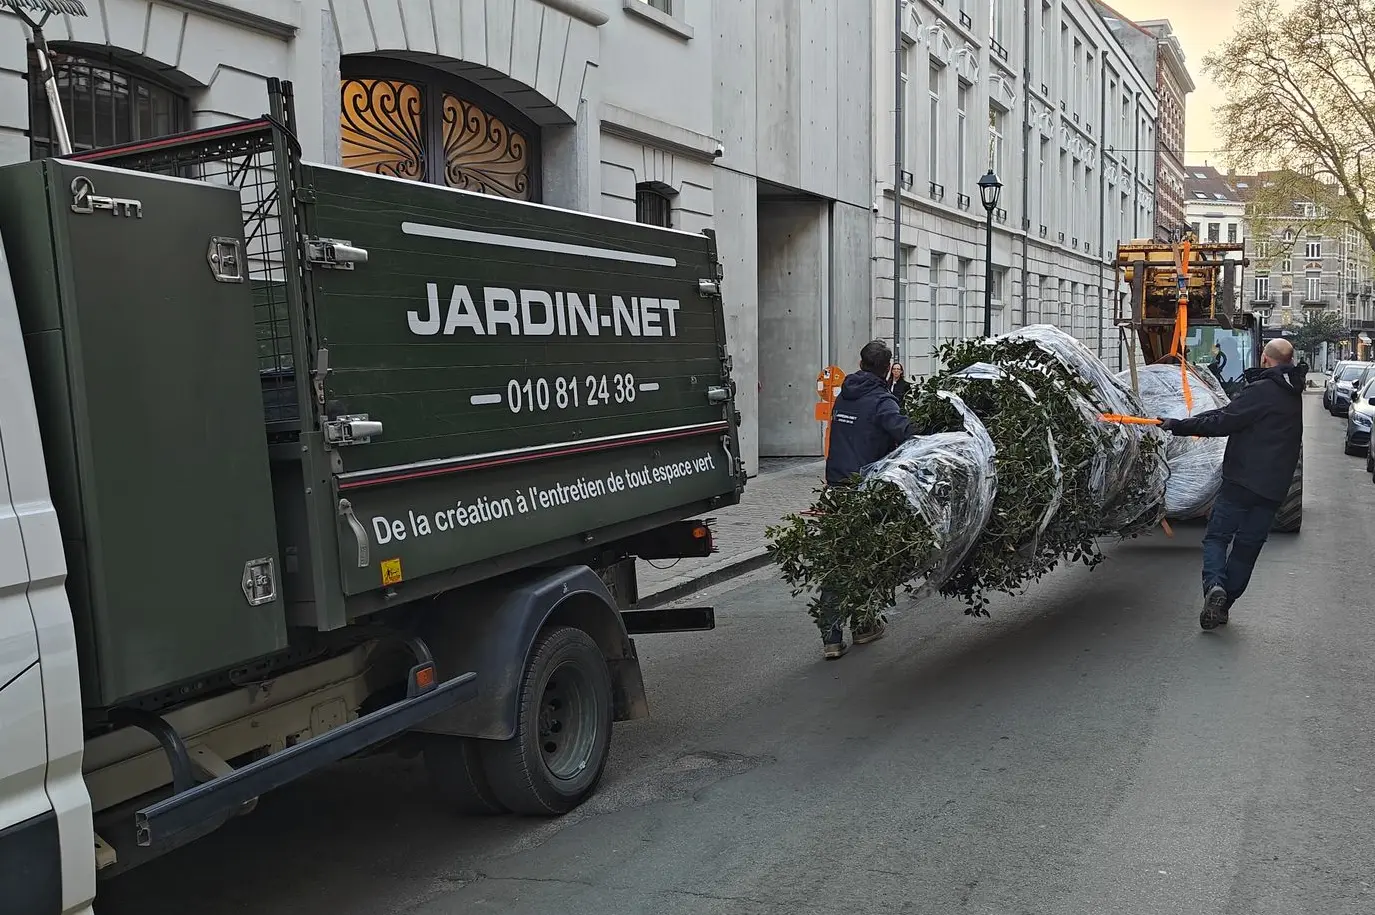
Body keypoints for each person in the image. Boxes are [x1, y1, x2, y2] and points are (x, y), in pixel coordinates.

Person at [1157, 338, 1304, 630]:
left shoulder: (1262, 390)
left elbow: (1223, 422)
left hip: (1241, 481)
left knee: (1217, 538)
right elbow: (1230, 416)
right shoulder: (1293, 393)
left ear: (1264, 358)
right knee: (1247, 549)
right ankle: (1223, 605)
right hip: (1273, 490)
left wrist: (1178, 425)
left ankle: (1214, 586)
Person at [817, 340, 918, 659]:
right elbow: (904, 432)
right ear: (887, 369)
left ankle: (831, 637)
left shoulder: (844, 397)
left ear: (860, 365)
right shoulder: (881, 401)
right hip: (865, 490)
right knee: (867, 559)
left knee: (838, 560)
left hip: (837, 488)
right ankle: (863, 625)